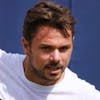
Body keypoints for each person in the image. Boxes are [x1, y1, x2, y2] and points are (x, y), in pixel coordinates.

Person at [0, 1, 100, 100]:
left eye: (63, 48)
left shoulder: (86, 96)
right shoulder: (3, 66)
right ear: (26, 46)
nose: (56, 58)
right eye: (46, 48)